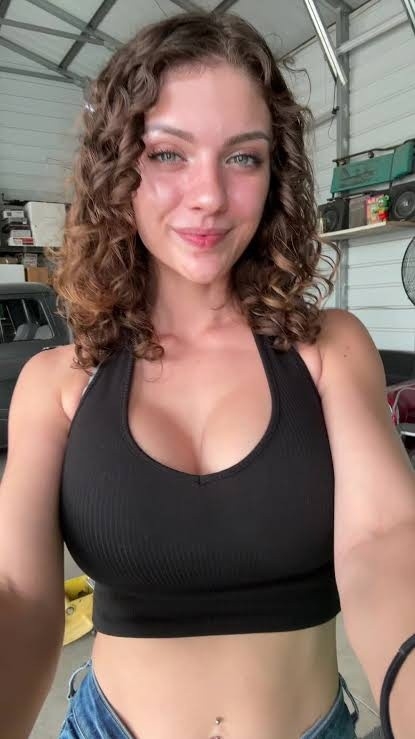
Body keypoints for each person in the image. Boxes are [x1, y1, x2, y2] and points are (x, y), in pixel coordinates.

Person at [0, 11, 414, 739]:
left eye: (243, 158)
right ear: (118, 170)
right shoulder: (57, 382)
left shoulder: (327, 349)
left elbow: (385, 538)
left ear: (274, 174)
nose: (209, 195)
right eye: (168, 154)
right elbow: (20, 593)